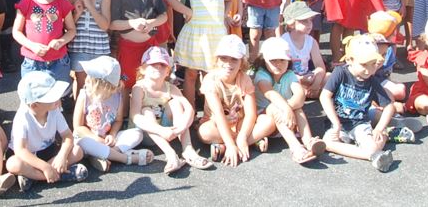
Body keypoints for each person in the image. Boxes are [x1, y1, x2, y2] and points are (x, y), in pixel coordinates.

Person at [320, 35, 403, 172]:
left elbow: (389, 106)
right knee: (327, 142)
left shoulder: (371, 80)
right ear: (349, 60)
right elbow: (325, 96)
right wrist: (335, 123)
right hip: (339, 122)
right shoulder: (340, 72)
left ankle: (383, 139)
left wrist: (379, 129)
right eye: (363, 65)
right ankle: (374, 155)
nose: (368, 70)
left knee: (372, 145)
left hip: (360, 123)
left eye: (372, 65)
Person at [129, 46, 212, 174]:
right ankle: (170, 154)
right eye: (153, 64)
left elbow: (189, 109)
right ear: (143, 69)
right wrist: (161, 130)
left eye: (162, 65)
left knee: (175, 103)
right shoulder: (139, 88)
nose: (158, 67)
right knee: (146, 110)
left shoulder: (170, 87)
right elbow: (135, 116)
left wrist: (181, 128)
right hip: (148, 133)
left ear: (168, 71)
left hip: (170, 130)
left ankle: (188, 149)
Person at [6, 71, 90, 193]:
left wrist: (62, 155)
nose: (57, 99)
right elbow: (21, 150)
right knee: (13, 164)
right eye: (52, 97)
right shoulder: (22, 118)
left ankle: (34, 177)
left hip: (48, 152)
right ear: (34, 105)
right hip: (27, 157)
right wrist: (45, 167)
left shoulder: (54, 109)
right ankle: (59, 175)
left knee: (78, 151)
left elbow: (67, 136)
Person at [168, 0, 231, 103]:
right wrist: (187, 11)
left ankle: (211, 110)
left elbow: (229, 0)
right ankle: (191, 109)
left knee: (211, 74)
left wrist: (224, 15)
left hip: (215, 35)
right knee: (191, 73)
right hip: (196, 34)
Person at [252, 37, 327, 164]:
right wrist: (286, 109)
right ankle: (296, 148)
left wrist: (289, 108)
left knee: (298, 107)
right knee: (273, 107)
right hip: (264, 118)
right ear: (264, 60)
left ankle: (309, 141)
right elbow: (270, 93)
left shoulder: (290, 74)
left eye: (282, 60)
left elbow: (300, 95)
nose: (278, 64)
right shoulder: (261, 75)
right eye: (273, 61)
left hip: (286, 119)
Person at [72, 56, 151, 172]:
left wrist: (112, 134)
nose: (86, 77)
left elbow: (118, 120)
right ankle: (124, 158)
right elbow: (78, 127)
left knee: (137, 133)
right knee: (83, 143)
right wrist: (96, 139)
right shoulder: (84, 95)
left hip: (107, 140)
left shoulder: (117, 97)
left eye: (90, 75)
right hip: (87, 138)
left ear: (101, 83)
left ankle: (104, 154)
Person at [110, 0, 169, 85]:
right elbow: (112, 24)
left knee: (152, 82)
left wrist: (151, 23)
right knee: (126, 83)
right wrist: (132, 23)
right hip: (128, 48)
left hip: (150, 47)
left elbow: (164, 16)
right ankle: (126, 107)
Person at [13, 0, 77, 81]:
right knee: (32, 97)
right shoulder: (25, 4)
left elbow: (71, 30)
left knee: (56, 98)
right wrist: (32, 46)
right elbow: (16, 31)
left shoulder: (63, 4)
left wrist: (61, 41)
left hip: (58, 61)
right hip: (32, 61)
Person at [197, 35, 258, 167]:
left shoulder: (245, 79)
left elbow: (251, 113)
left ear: (242, 62)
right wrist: (231, 144)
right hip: (216, 124)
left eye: (234, 59)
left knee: (267, 122)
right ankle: (247, 142)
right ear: (217, 60)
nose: (228, 63)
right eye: (223, 58)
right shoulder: (210, 80)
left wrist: (242, 136)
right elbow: (218, 114)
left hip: (240, 124)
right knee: (204, 132)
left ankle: (232, 143)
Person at [279, 2, 327, 98]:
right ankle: (308, 93)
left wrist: (316, 81)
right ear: (291, 23)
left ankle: (310, 92)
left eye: (310, 20)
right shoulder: (284, 41)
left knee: (329, 76)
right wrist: (299, 79)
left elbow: (320, 66)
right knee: (291, 84)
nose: (309, 24)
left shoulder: (311, 41)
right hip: (290, 78)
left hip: (306, 76)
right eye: (304, 21)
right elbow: (281, 70)